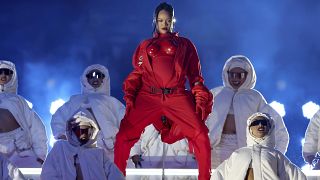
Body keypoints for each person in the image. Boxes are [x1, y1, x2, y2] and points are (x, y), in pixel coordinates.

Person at [114, 2, 213, 180]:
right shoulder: (145, 45)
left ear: (173, 21)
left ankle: (205, 177)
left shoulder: (185, 44)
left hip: (176, 95)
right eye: (160, 20)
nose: (164, 24)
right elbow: (138, 72)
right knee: (123, 135)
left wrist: (199, 93)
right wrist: (130, 96)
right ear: (155, 20)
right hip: (149, 96)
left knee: (201, 134)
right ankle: (116, 176)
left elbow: (195, 75)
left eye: (167, 20)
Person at [206, 55, 289, 168]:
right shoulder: (216, 94)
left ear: (248, 75)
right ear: (226, 74)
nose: (235, 78)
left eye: (239, 75)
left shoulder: (254, 98)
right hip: (216, 148)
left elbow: (277, 126)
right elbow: (198, 120)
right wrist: (196, 146)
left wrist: (277, 154)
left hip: (244, 149)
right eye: (232, 74)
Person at [51, 64, 125, 161]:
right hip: (79, 148)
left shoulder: (113, 103)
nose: (95, 78)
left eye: (99, 75)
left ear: (104, 79)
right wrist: (63, 136)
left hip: (107, 149)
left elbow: (126, 122)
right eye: (91, 75)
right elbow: (58, 118)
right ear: (86, 79)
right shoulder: (75, 101)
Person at [212, 112, 306, 180]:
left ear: (270, 128)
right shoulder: (238, 154)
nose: (260, 125)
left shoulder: (276, 156)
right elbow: (218, 175)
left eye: (264, 123)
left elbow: (298, 177)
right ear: (249, 129)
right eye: (255, 123)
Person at [41, 108, 124, 180]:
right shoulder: (61, 148)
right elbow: (48, 173)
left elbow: (115, 175)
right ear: (72, 130)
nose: (82, 133)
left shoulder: (99, 153)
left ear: (92, 131)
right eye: (79, 129)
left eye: (86, 129)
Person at [0, 60, 47, 167]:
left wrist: (40, 155)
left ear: (13, 75)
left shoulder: (19, 101)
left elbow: (36, 128)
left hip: (19, 149)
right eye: (0, 72)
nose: (3, 75)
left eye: (7, 72)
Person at [129, 124, 196, 169]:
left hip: (179, 160)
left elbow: (197, 137)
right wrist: (135, 154)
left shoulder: (185, 113)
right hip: (151, 160)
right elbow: (136, 138)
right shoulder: (146, 115)